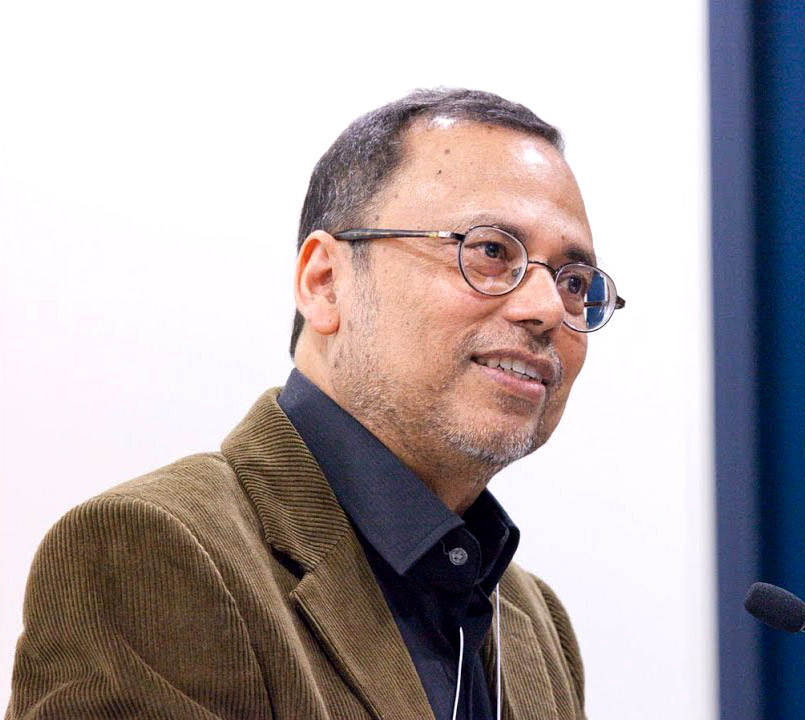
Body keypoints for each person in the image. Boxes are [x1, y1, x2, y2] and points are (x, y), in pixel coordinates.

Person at [5, 88, 624, 720]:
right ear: (325, 282)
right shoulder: (156, 551)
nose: (547, 309)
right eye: (491, 253)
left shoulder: (535, 625)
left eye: (573, 283)